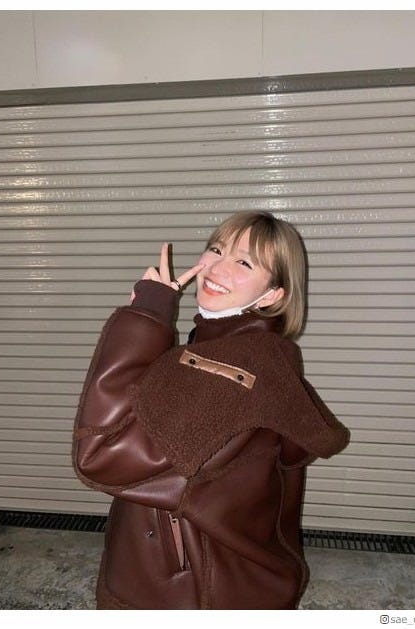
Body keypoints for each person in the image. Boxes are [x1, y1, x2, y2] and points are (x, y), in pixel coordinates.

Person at [73, 210, 349, 610]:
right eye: (217, 250)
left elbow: (101, 455)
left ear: (273, 295)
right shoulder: (235, 350)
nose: (218, 268)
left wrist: (145, 318)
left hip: (186, 592)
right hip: (207, 577)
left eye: (244, 263)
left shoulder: (233, 369)